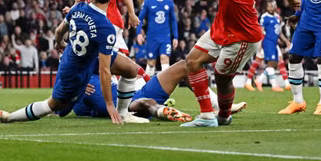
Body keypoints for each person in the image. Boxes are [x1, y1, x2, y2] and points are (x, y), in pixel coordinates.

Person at [184, 0, 300, 127]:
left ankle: (224, 116)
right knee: (192, 61)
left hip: (242, 37)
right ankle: (206, 116)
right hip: (221, 29)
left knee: (221, 79)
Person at [0, 0, 149, 125]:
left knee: (130, 69)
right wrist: (109, 104)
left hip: (87, 57)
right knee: (54, 105)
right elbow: (104, 70)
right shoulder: (106, 28)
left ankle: (123, 114)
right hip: (76, 69)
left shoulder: (77, 8)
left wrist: (58, 44)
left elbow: (58, 31)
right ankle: (10, 117)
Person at [70, 61, 246, 122]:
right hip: (127, 99)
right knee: (144, 102)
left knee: (186, 66)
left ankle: (160, 110)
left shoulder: (82, 80)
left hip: (128, 99)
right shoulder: (89, 73)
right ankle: (160, 110)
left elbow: (63, 108)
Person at [136, 0, 178, 77]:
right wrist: (138, 33)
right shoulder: (148, 2)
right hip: (151, 37)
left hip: (165, 37)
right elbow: (140, 19)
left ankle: (164, 89)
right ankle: (148, 87)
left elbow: (173, 20)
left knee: (164, 58)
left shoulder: (169, 2)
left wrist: (175, 36)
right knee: (151, 63)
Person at [245, 0, 289, 92]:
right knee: (269, 63)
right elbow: (261, 31)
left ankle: (258, 81)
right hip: (267, 42)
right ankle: (274, 85)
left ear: (275, 6)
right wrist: (260, 44)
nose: (270, 7)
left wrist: (286, 41)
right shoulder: (264, 17)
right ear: (266, 7)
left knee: (276, 63)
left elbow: (279, 32)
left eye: (272, 5)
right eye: (269, 6)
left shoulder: (277, 17)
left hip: (274, 43)